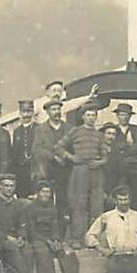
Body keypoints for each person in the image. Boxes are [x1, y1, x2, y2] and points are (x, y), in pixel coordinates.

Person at [55, 103, 108, 248]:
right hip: (80, 171)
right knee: (78, 205)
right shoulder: (75, 132)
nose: (91, 118)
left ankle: (93, 239)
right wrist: (71, 158)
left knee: (96, 205)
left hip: (96, 172)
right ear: (83, 117)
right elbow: (58, 147)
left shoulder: (99, 135)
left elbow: (105, 156)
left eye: (93, 115)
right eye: (88, 115)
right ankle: (77, 239)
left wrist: (99, 163)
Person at [24, 180, 84, 273]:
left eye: (48, 192)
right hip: (37, 239)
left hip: (51, 238)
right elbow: (30, 230)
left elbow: (55, 226)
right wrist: (47, 241)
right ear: (37, 193)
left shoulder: (53, 208)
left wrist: (56, 240)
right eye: (43, 192)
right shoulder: (29, 208)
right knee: (44, 253)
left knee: (68, 252)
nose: (46, 195)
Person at [31, 99, 70, 212]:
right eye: (53, 109)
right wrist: (53, 157)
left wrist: (65, 156)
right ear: (47, 112)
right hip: (48, 170)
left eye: (58, 109)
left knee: (65, 202)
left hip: (66, 169)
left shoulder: (69, 128)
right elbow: (36, 149)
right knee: (47, 201)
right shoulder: (40, 130)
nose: (56, 112)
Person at [112, 103, 137, 209]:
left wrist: (123, 150)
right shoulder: (113, 130)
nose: (124, 117)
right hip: (118, 169)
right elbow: (113, 147)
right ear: (117, 116)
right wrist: (127, 145)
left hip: (135, 168)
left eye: (127, 115)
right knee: (120, 192)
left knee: (136, 194)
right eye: (122, 114)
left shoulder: (136, 129)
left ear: (130, 116)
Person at [33, 80, 100, 125]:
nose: (57, 93)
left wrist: (90, 96)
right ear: (47, 92)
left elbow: (74, 103)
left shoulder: (63, 105)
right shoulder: (38, 103)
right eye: (54, 90)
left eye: (59, 91)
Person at [11, 100, 37, 197]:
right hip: (21, 171)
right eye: (24, 112)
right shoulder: (17, 131)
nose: (26, 115)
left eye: (29, 111)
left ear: (33, 112)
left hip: (35, 170)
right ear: (20, 113)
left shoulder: (39, 128)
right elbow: (14, 153)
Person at [99, 122, 125, 201]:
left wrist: (117, 192)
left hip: (113, 192)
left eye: (113, 134)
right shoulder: (97, 151)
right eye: (108, 133)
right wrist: (100, 192)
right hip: (99, 191)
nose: (111, 137)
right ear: (103, 134)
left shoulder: (117, 152)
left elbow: (122, 174)